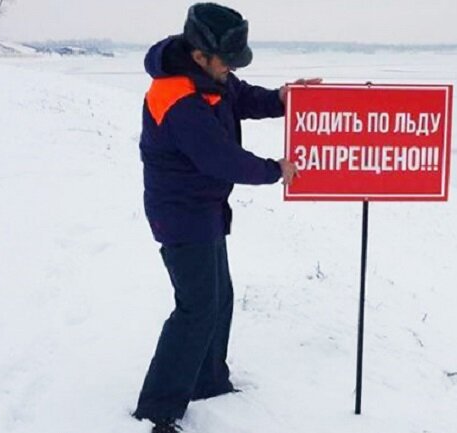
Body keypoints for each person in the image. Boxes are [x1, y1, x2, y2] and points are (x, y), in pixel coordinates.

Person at [132, 3, 319, 432]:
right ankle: (158, 410)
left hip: (206, 209)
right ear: (200, 56)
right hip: (180, 215)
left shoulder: (211, 78)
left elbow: (242, 96)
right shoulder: (177, 98)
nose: (231, 71)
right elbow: (221, 158)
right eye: (227, 62)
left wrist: (280, 99)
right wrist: (276, 169)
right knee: (196, 307)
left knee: (220, 297)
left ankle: (208, 379)